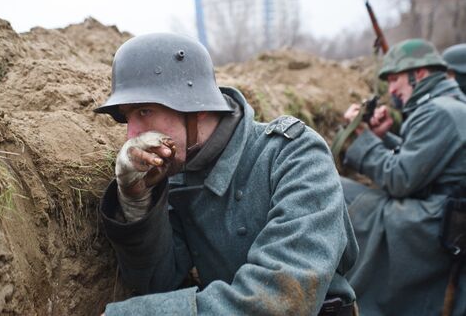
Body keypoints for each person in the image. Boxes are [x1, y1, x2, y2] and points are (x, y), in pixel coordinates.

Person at [94, 33, 358, 315]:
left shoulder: (295, 155)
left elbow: (284, 297)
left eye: (144, 111)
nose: (131, 135)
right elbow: (159, 281)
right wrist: (136, 201)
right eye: (127, 117)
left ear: (200, 108)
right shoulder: (175, 172)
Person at [340, 39, 466, 316]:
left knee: (337, 193)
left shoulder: (439, 112)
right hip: (444, 217)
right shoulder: (449, 106)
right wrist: (382, 138)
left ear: (419, 73)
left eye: (395, 79)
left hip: (432, 224)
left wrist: (361, 138)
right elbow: (426, 162)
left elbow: (399, 179)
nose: (392, 90)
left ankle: (344, 294)